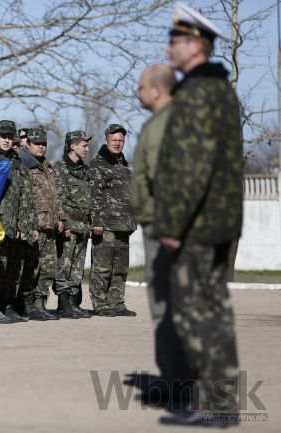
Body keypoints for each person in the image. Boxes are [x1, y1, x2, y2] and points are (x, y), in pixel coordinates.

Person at [155, 3, 241, 426]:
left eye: (174, 40)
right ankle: (218, 404)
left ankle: (216, 406)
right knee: (213, 312)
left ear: (195, 44)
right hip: (215, 220)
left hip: (199, 224)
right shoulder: (218, 89)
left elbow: (193, 167)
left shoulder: (199, 92)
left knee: (198, 314)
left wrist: (173, 225)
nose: (168, 47)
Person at [131, 64, 190, 397]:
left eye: (140, 87)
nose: (137, 92)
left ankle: (176, 383)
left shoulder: (168, 124)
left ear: (157, 89)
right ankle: (179, 378)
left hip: (166, 227)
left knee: (168, 306)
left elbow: (174, 178)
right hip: (161, 225)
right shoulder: (163, 122)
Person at [0, 120, 36, 322]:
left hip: (15, 224)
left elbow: (25, 197)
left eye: (10, 137)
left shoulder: (16, 163)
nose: (7, 140)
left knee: (11, 269)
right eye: (3, 136)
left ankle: (5, 304)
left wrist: (25, 224)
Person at [88, 123, 137, 317]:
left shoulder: (124, 166)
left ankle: (116, 302)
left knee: (120, 268)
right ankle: (100, 303)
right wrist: (97, 221)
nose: (117, 144)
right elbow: (94, 195)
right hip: (106, 225)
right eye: (114, 140)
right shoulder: (98, 165)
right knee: (102, 267)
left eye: (120, 140)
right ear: (106, 140)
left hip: (124, 225)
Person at [18, 128, 63, 321]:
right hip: (35, 225)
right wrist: (30, 224)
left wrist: (60, 217)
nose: (41, 146)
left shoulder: (47, 167)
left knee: (48, 269)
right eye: (37, 143)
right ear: (27, 145)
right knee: (31, 268)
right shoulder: (24, 166)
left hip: (50, 226)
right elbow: (24, 198)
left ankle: (40, 302)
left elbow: (55, 195)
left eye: (43, 143)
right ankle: (27, 304)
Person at [52, 130, 93, 319]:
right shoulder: (60, 168)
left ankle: (73, 303)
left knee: (77, 268)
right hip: (70, 223)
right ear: (73, 146)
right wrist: (64, 223)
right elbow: (59, 198)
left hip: (83, 226)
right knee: (64, 265)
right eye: (84, 145)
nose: (87, 148)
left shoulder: (84, 170)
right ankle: (63, 303)